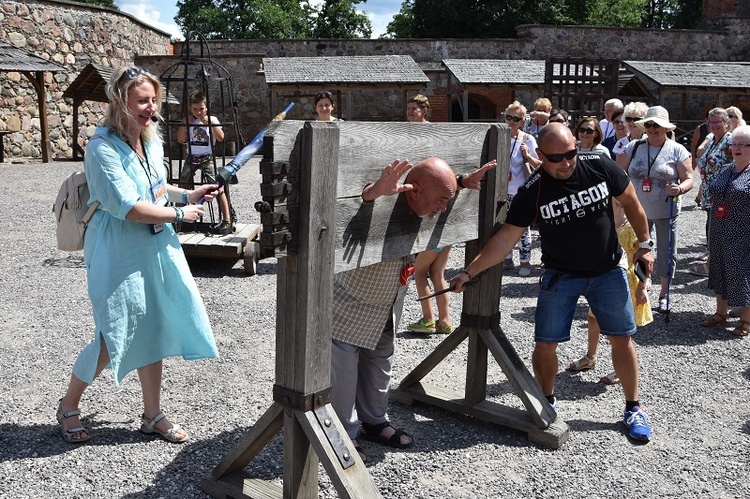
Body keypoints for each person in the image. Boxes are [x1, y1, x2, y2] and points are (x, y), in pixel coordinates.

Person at [450, 123, 655, 442]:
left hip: (607, 270)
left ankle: (633, 408)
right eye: (557, 158)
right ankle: (546, 403)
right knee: (545, 343)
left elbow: (631, 202)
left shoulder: (599, 165)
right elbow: (506, 239)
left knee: (621, 338)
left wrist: (645, 244)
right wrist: (470, 271)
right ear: (540, 156)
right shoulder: (533, 189)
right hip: (560, 275)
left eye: (571, 153)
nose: (566, 163)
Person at [56, 67, 220, 444]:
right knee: (114, 333)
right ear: (119, 102)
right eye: (142, 101)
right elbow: (128, 207)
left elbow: (156, 187)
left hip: (154, 242)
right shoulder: (101, 148)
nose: (151, 109)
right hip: (117, 246)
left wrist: (185, 196)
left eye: (153, 101)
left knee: (153, 326)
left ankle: (152, 415)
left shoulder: (151, 138)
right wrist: (181, 214)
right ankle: (68, 405)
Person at [332, 157, 497, 461]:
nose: (444, 207)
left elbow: (437, 193)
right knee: (343, 367)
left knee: (380, 358)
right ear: (415, 190)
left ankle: (374, 421)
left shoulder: (426, 200)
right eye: (440, 200)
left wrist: (459, 183)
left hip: (389, 295)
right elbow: (359, 201)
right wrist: (371, 194)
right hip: (353, 295)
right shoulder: (386, 195)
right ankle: (342, 433)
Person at [617, 106, 695, 313]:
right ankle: (640, 288)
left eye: (657, 125)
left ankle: (665, 293)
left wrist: (680, 188)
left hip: (666, 210)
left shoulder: (677, 150)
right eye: (649, 124)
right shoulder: (633, 146)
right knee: (636, 248)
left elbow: (689, 178)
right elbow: (618, 173)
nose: (652, 128)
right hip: (636, 211)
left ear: (666, 128)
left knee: (667, 252)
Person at [568, 198, 653, 384]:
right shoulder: (603, 221)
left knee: (620, 331)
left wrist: (643, 285)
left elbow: (644, 259)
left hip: (626, 281)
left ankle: (622, 368)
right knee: (593, 318)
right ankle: (590, 357)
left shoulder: (631, 228)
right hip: (603, 278)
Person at [404, 95, 452, 334]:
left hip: (431, 216)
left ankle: (428, 320)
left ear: (425, 111)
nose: (410, 112)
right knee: (438, 272)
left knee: (420, 272)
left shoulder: (429, 135)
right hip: (446, 222)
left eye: (414, 109)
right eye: (409, 108)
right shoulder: (408, 132)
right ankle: (445, 321)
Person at [700, 126, 750, 336]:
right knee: (719, 271)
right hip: (720, 229)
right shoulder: (726, 169)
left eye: (742, 144)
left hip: (743, 233)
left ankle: (745, 320)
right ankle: (721, 313)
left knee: (742, 275)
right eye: (734, 144)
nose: (736, 148)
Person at [176, 91, 232, 229]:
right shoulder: (188, 121)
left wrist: (212, 125)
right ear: (190, 108)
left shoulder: (212, 120)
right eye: (195, 109)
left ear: (206, 107)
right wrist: (184, 125)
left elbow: (221, 138)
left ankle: (227, 219)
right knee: (182, 185)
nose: (198, 112)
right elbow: (180, 140)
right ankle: (178, 217)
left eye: (201, 108)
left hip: (207, 158)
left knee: (217, 187)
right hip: (191, 157)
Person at [689, 108, 733, 277]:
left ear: (726, 124)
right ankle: (713, 264)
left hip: (724, 196)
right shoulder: (713, 140)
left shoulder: (730, 142)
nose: (714, 125)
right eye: (711, 122)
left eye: (718, 122)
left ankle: (716, 267)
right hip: (711, 195)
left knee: (720, 231)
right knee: (712, 228)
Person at [503, 101, 542, 277]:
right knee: (502, 226)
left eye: (516, 118)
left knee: (522, 227)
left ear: (522, 120)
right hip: (501, 189)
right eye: (508, 117)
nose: (511, 121)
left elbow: (540, 165)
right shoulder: (498, 135)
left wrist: (527, 155)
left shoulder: (528, 139)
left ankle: (525, 261)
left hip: (520, 190)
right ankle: (506, 258)